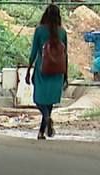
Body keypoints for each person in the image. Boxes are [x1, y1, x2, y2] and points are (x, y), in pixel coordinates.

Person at [26, 3, 67, 140]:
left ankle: (46, 118)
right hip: (58, 71)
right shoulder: (62, 32)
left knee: (38, 99)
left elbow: (33, 53)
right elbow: (65, 55)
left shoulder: (40, 30)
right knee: (49, 102)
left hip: (42, 69)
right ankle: (41, 132)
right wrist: (66, 75)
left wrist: (28, 70)